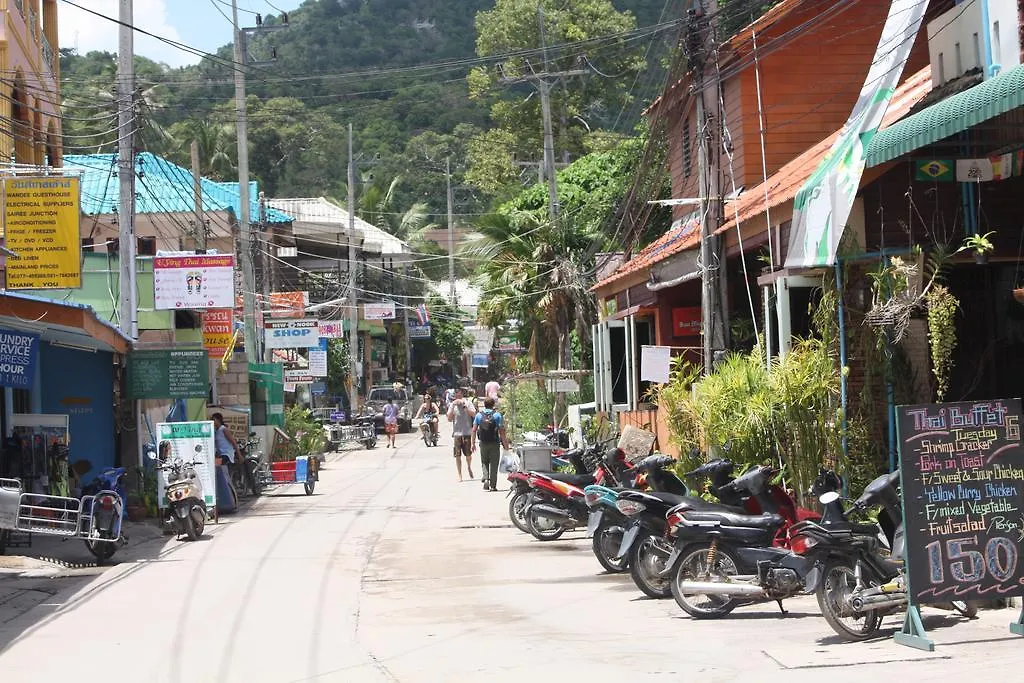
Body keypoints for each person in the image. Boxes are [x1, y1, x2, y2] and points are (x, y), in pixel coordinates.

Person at [473, 397, 509, 492]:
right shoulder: (497, 415)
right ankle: (493, 486)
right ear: (493, 405)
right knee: (494, 464)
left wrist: (473, 443)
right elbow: (501, 431)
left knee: (484, 461)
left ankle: (486, 477)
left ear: (484, 404)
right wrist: (505, 444)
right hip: (494, 442)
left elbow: (474, 430)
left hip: (483, 442)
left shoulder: (479, 415)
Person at [446, 387, 476, 482]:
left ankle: (469, 466)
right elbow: (449, 418)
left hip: (467, 432)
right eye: (456, 394)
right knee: (457, 455)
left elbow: (473, 414)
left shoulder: (468, 403)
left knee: (468, 455)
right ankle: (460, 475)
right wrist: (452, 407)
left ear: (462, 394)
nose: (457, 396)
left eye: (458, 394)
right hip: (457, 433)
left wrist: (464, 406)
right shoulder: (452, 405)